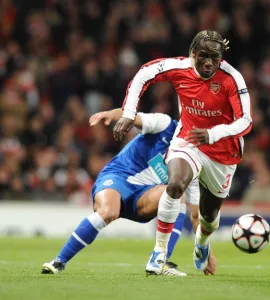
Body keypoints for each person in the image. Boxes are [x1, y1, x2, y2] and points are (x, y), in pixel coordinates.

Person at [113, 30, 252, 275]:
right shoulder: (179, 68)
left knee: (209, 218)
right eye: (203, 56)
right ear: (193, 54)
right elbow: (144, 74)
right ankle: (159, 253)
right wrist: (128, 112)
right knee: (175, 184)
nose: (209, 63)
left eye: (215, 58)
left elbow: (246, 121)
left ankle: (202, 242)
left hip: (223, 154)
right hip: (188, 139)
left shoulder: (232, 78)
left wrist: (212, 134)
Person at [42, 108, 216, 276]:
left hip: (143, 198)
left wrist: (206, 250)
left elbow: (195, 215)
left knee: (178, 196)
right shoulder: (165, 125)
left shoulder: (193, 161)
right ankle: (59, 261)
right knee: (108, 212)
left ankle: (161, 261)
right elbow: (131, 116)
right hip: (119, 177)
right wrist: (111, 114)